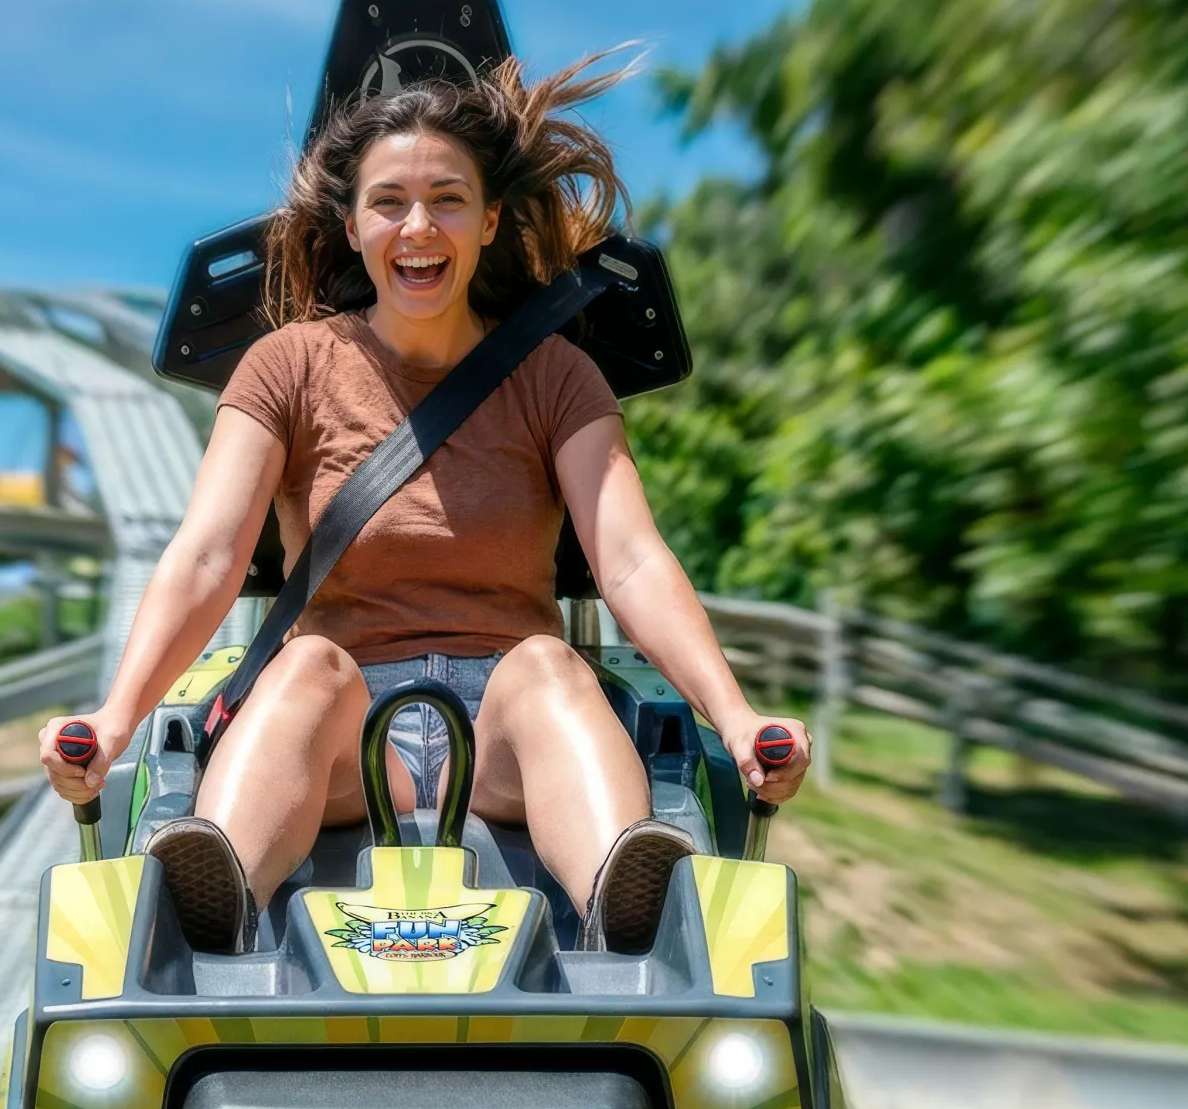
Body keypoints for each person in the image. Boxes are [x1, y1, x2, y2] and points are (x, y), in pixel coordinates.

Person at [40, 50, 808, 952]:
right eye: (389, 202)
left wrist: (738, 716)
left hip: (503, 730)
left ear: (487, 222)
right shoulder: (287, 365)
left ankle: (625, 905)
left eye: (447, 199)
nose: (419, 227)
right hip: (338, 722)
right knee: (304, 667)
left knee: (549, 667)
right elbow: (208, 553)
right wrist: (114, 720)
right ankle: (210, 905)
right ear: (353, 223)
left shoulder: (557, 376)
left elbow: (630, 557)